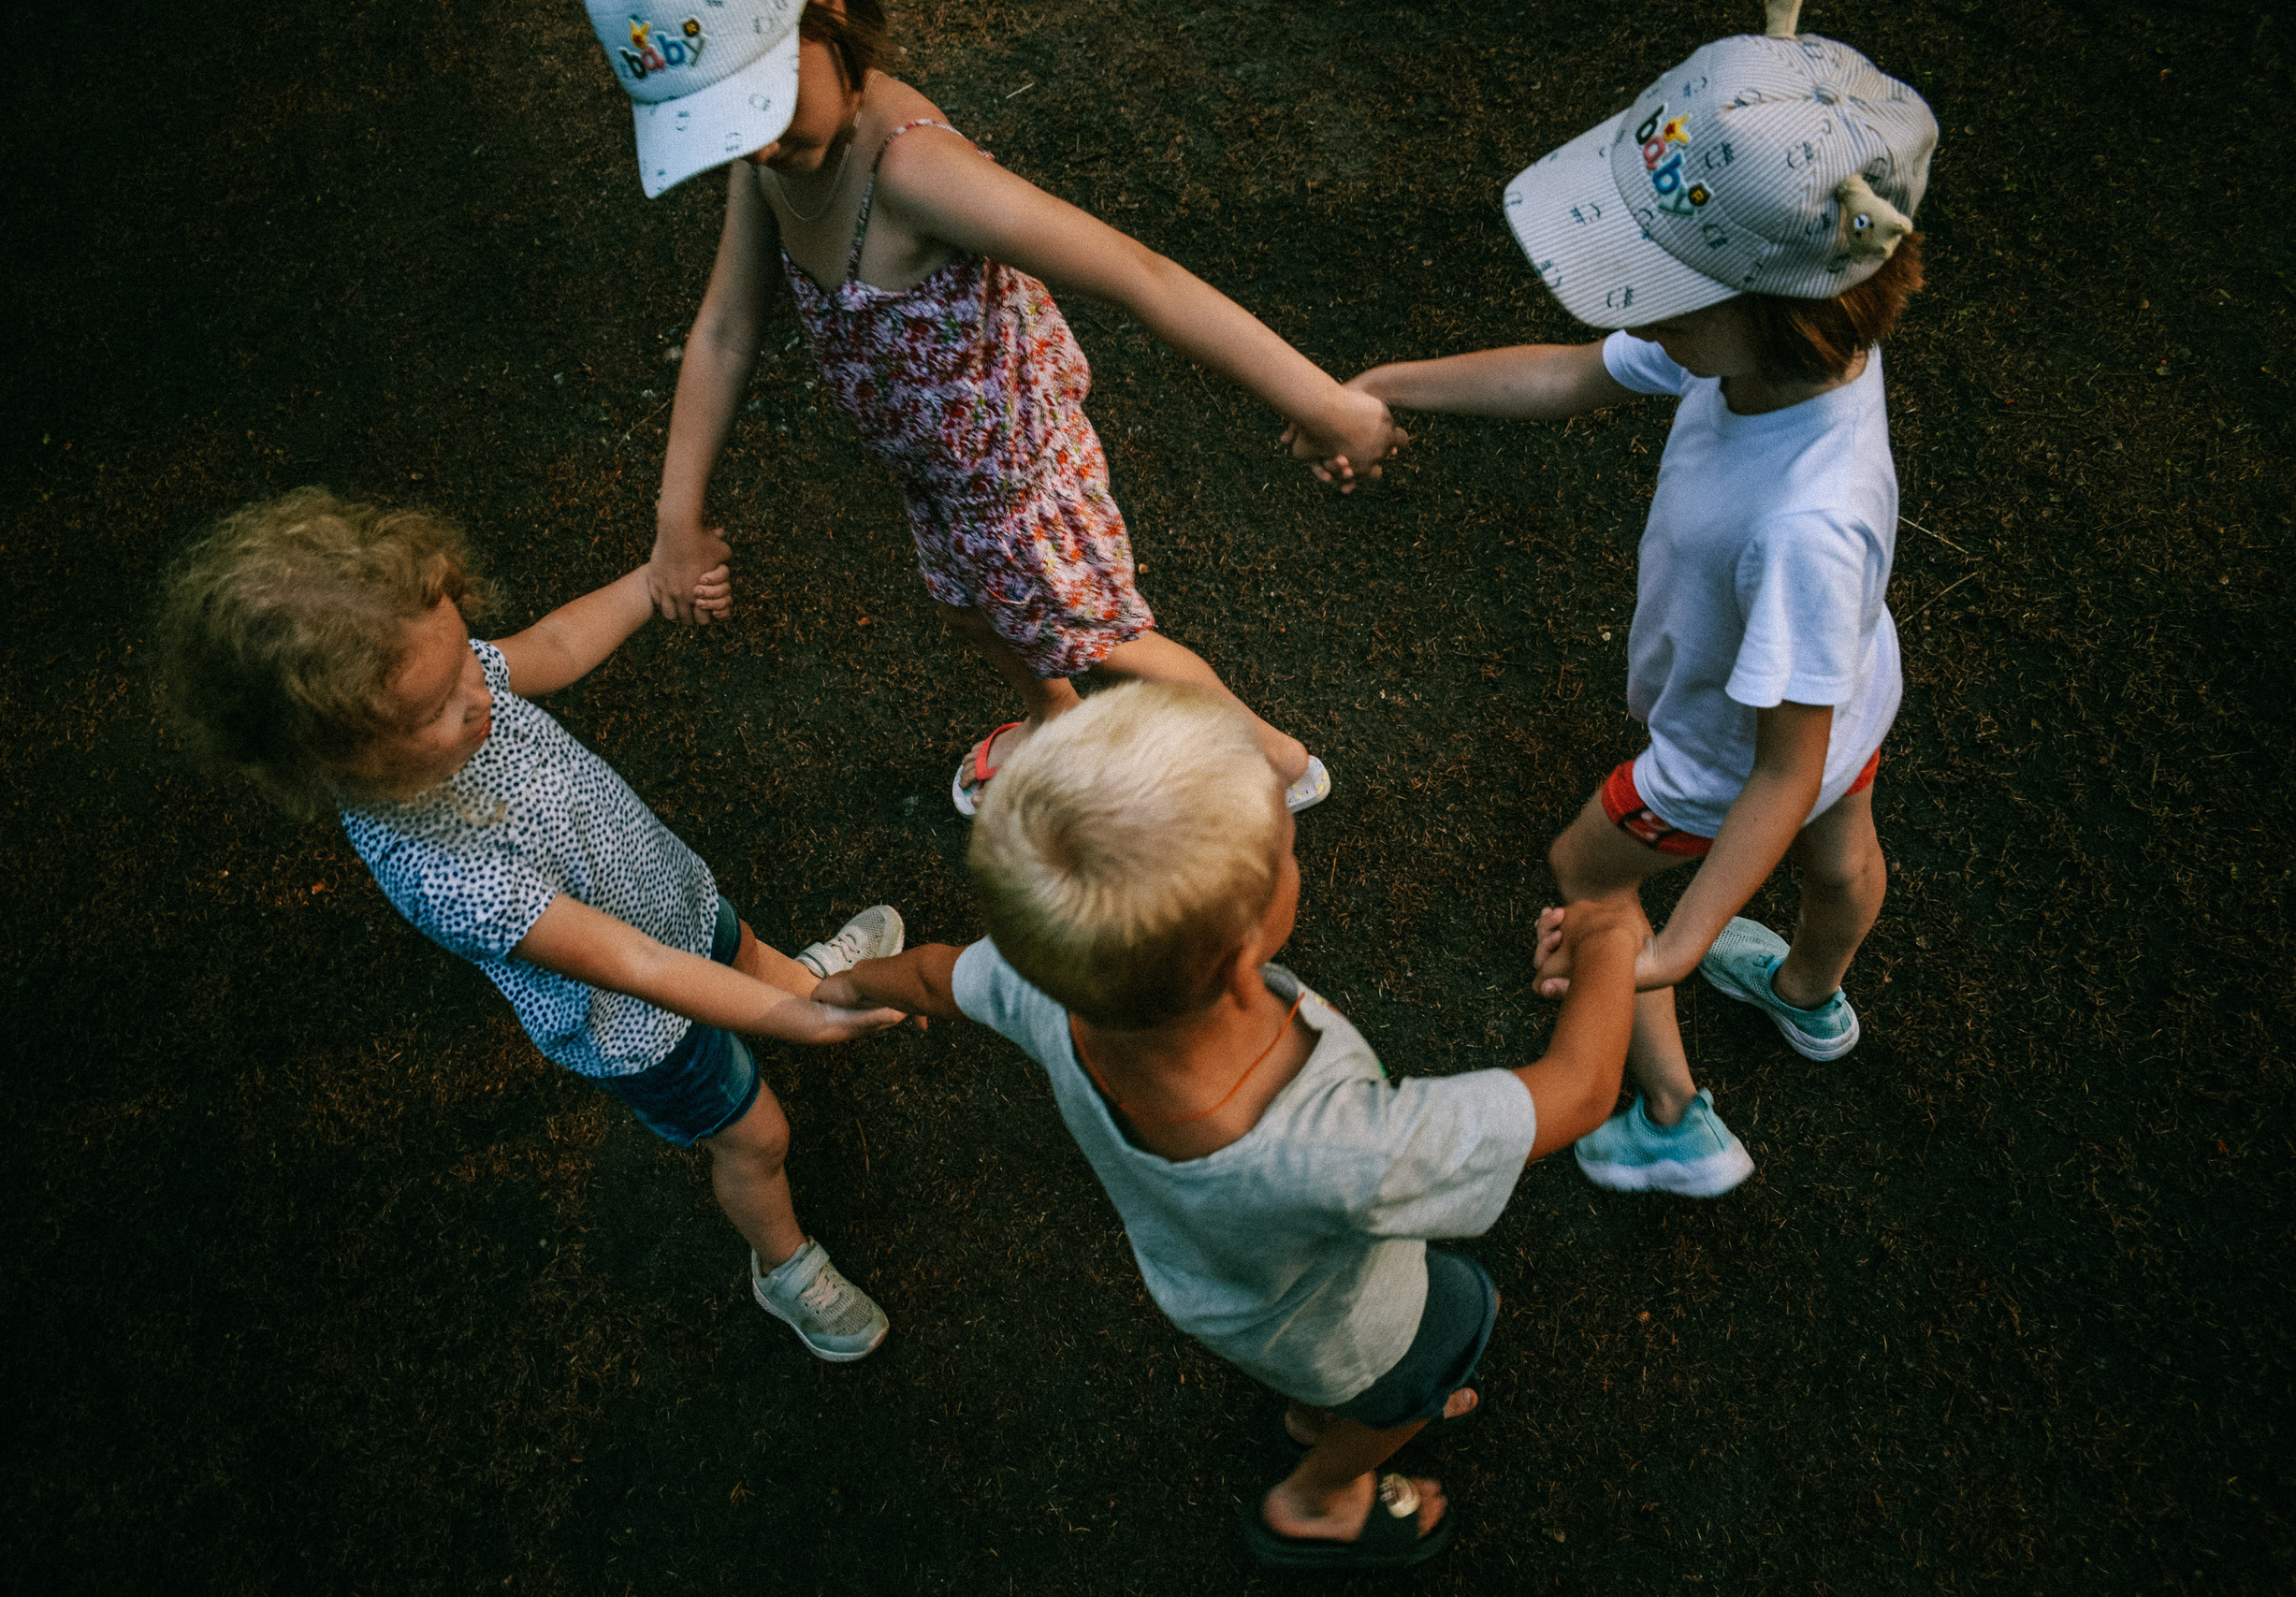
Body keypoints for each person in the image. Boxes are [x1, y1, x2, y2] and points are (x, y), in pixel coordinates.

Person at [808, 682, 1641, 1568]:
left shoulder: (1040, 983)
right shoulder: (1344, 1146)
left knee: (1321, 1378)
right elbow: (1582, 1089)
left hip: (1210, 1289)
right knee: (1441, 1348)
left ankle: (1312, 1409)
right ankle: (1320, 1494)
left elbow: (937, 977)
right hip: (1364, 1327)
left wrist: (855, 983)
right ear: (1246, 950)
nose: (1294, 847)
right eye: (1286, 844)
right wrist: (1615, 934)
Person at [1344, 1, 1937, 1196]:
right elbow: (1574, 373)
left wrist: (1676, 944)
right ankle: (1811, 998)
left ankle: (1673, 1119)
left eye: (1659, 285)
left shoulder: (1803, 524)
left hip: (1722, 760)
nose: (1631, 308)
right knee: (1839, 857)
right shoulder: (1802, 347)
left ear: (1765, 302)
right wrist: (1388, 385)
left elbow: (1775, 766)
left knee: (1589, 873)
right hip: (1853, 691)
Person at [584, 0, 1406, 815]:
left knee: (1112, 647)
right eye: (723, 127)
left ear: (828, 14)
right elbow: (728, 329)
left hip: (1019, 491)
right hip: (941, 481)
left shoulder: (914, 174)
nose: (756, 143)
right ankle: (1057, 715)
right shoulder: (766, 161)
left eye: (761, 105)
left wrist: (1323, 402)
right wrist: (675, 519)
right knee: (969, 609)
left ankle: (1270, 758)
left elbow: (1139, 274)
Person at [155, 487, 908, 1360]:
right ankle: (785, 1264)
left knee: (741, 947)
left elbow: (550, 645)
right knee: (757, 1133)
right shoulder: (443, 872)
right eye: (438, 705)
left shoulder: (437, 670)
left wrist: (653, 578)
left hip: (664, 890)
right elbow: (637, 967)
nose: (478, 694)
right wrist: (801, 1026)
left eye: (464, 659)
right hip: (637, 1021)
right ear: (339, 756)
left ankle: (802, 983)